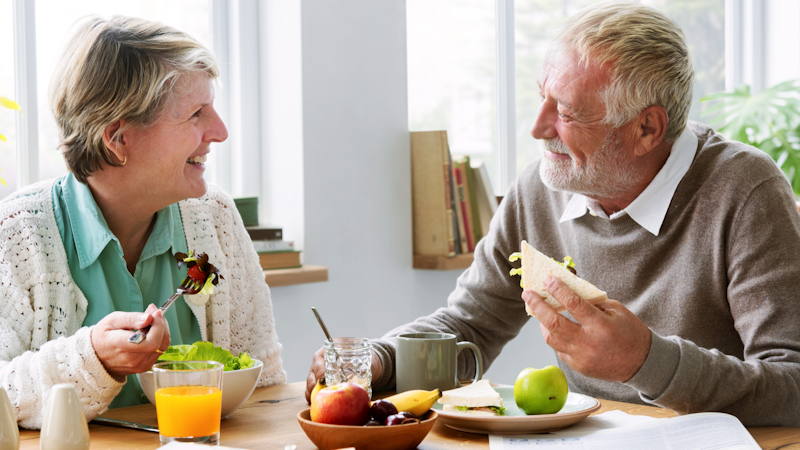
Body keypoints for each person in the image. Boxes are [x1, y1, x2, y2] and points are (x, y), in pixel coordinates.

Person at [306, 3, 800, 426]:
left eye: (565, 112)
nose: (538, 129)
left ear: (647, 128)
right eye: (542, 97)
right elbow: (469, 324)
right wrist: (379, 359)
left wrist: (645, 361)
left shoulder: (745, 190)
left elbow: (791, 385)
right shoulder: (541, 187)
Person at [0, 16, 285, 429]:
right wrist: (93, 358)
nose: (220, 131)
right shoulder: (17, 234)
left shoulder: (216, 218)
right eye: (195, 114)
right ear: (118, 140)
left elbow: (264, 387)